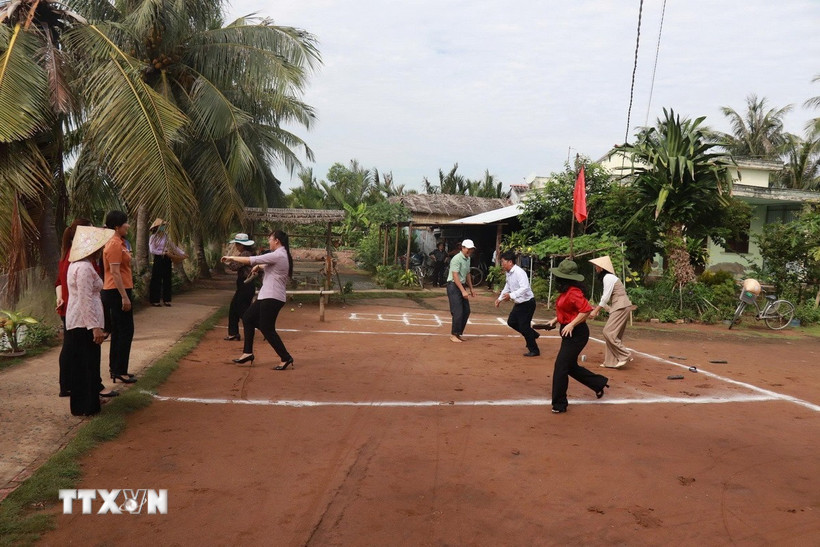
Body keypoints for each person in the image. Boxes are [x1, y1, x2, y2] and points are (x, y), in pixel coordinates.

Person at [542, 259, 609, 414]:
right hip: (568, 332)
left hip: (577, 334)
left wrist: (571, 324)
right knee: (569, 367)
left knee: (561, 367)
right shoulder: (566, 292)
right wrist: (554, 321)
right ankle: (598, 383)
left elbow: (586, 310)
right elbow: (567, 312)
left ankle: (559, 404)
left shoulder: (573, 292)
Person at [222, 230, 294, 370]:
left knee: (267, 329)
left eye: (270, 239)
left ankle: (285, 357)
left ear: (277, 241)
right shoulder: (281, 255)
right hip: (267, 295)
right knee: (248, 317)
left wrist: (231, 258)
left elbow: (252, 260)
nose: (269, 241)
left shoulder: (278, 254)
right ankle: (247, 352)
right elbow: (264, 264)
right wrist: (259, 267)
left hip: (272, 297)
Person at [65, 226, 115, 416]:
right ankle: (87, 406)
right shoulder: (84, 268)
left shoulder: (76, 265)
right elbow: (86, 299)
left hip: (79, 321)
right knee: (87, 365)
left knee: (82, 364)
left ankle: (83, 405)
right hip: (84, 323)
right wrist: (94, 327)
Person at [101, 210, 137, 384]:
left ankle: (117, 368)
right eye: (125, 223)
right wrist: (124, 297)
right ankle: (118, 370)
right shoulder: (114, 244)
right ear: (116, 227)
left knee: (121, 331)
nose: (128, 226)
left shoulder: (120, 242)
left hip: (120, 289)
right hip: (116, 291)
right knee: (124, 331)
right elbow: (115, 272)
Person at [588, 255, 634, 369]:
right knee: (614, 334)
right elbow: (609, 298)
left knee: (608, 332)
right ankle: (610, 362)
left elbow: (605, 297)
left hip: (621, 306)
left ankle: (625, 355)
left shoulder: (608, 277)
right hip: (621, 306)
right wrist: (600, 308)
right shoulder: (610, 277)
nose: (595, 268)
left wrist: (596, 310)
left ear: (602, 268)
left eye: (597, 266)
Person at [494, 250, 540, 357]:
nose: (502, 264)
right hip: (519, 303)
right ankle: (532, 334)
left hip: (528, 303)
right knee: (511, 322)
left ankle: (534, 349)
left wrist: (511, 295)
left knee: (524, 327)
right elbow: (508, 286)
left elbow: (525, 287)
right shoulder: (508, 273)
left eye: (503, 262)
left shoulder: (519, 272)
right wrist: (500, 298)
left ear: (510, 262)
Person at [224, 233, 256, 341]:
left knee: (243, 310)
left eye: (237, 244)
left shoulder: (246, 254)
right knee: (233, 308)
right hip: (243, 285)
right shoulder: (245, 253)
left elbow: (234, 266)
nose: (236, 246)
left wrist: (228, 260)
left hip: (246, 284)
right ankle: (233, 333)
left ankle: (261, 327)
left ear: (242, 245)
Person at [148, 218, 185, 307]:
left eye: (164, 226)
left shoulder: (166, 236)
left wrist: (182, 253)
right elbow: (152, 250)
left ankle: (167, 300)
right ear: (157, 227)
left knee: (167, 278)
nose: (163, 227)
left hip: (167, 258)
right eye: (162, 226)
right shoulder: (153, 237)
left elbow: (173, 246)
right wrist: (162, 252)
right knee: (156, 279)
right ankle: (155, 300)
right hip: (158, 258)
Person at [446, 238, 475, 343]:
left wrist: (471, 288)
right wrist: (463, 291)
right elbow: (455, 276)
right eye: (468, 249)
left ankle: (458, 333)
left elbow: (467, 274)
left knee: (466, 311)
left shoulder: (468, 259)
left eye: (471, 249)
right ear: (463, 248)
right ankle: (453, 334)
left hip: (461, 285)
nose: (470, 251)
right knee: (458, 311)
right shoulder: (456, 259)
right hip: (453, 285)